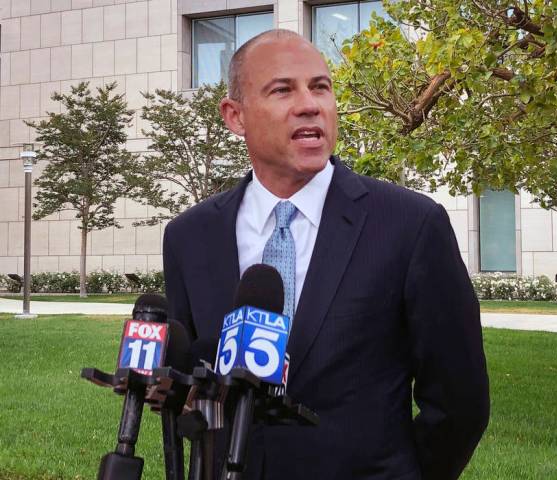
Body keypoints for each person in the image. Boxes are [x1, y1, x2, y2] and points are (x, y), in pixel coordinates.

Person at [163, 29, 490, 480]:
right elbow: (192, 388)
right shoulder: (188, 237)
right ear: (235, 116)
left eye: (320, 87)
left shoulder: (410, 225)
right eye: (283, 90)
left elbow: (460, 402)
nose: (309, 104)